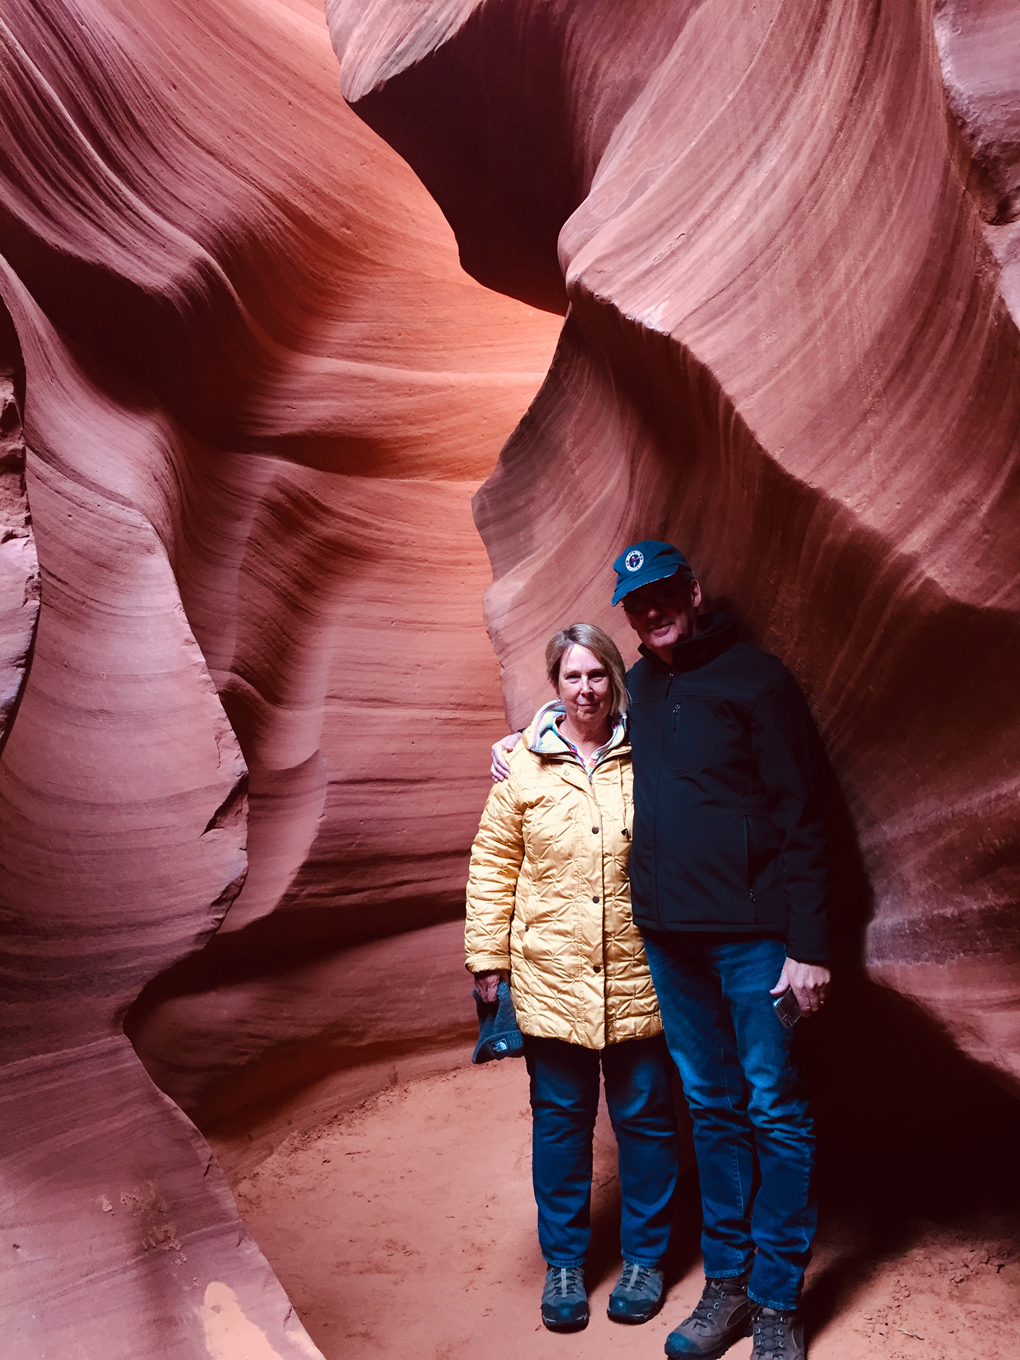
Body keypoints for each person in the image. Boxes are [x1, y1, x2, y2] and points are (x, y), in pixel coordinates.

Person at [491, 543, 831, 1360]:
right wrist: (521, 739)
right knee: (711, 1111)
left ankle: (777, 1300)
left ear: (694, 591)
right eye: (637, 604)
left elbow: (805, 815)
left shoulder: (759, 681)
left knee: (774, 1112)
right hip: (670, 946)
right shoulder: (634, 693)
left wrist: (809, 946)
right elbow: (579, 733)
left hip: (754, 942)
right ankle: (727, 1285)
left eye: (665, 594)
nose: (654, 612)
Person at [466, 623, 680, 1333]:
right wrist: (487, 961)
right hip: (550, 975)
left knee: (645, 1123)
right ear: (554, 686)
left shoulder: (646, 751)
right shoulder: (522, 764)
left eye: (596, 675)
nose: (584, 689)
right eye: (571, 677)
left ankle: (646, 1258)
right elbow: (494, 864)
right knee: (561, 1126)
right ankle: (564, 1262)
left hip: (636, 974)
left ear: (614, 679)